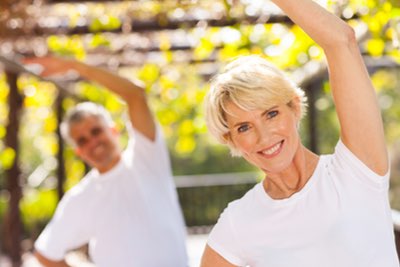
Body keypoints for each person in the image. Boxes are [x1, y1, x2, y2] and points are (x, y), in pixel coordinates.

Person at [200, 0, 399, 266]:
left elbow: (342, 40)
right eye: (244, 127)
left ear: (294, 106)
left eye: (271, 113)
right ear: (231, 139)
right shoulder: (239, 222)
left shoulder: (356, 171)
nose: (264, 136)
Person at [23, 56, 189, 267]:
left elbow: (135, 94)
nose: (93, 142)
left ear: (113, 131)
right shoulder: (80, 197)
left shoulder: (146, 158)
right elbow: (46, 253)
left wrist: (75, 66)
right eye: (83, 140)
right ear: (79, 152)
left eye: (96, 131)